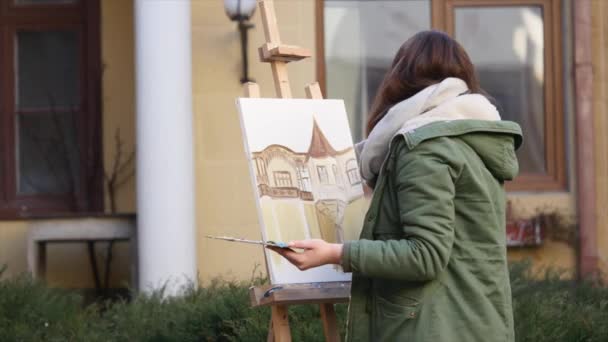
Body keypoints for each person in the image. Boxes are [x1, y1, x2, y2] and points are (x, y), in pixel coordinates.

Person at [268, 30, 522, 341]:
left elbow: (425, 255)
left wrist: (336, 253)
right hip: (475, 324)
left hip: (432, 329)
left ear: (400, 77)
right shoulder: (470, 140)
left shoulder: (427, 149)